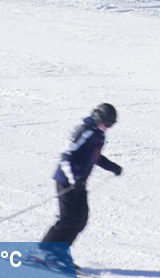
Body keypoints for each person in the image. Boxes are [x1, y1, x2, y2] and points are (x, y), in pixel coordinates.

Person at [42, 103, 123, 253]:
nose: (107, 127)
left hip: (78, 183)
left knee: (80, 220)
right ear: (99, 118)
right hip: (66, 181)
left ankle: (58, 253)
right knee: (67, 219)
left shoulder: (98, 134)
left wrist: (112, 167)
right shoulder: (85, 132)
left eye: (110, 125)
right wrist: (74, 179)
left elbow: (93, 156)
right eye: (107, 123)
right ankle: (43, 253)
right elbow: (66, 157)